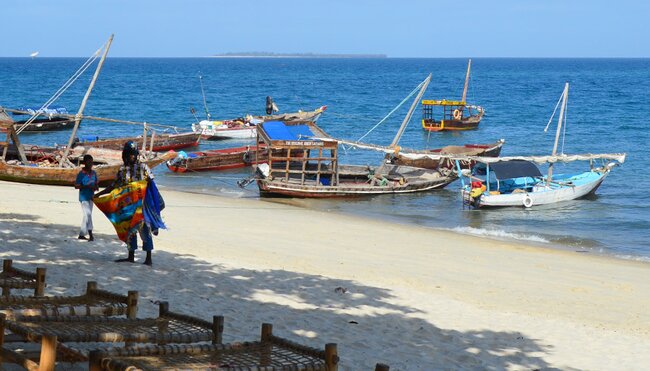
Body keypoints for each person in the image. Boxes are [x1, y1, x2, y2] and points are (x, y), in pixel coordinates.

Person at [96, 141, 155, 265]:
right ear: (125, 155)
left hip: (141, 205)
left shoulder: (143, 167)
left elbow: (151, 182)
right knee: (130, 230)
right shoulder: (122, 170)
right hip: (127, 206)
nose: (132, 156)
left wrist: (147, 182)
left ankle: (148, 258)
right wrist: (99, 195)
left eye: (133, 154)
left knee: (144, 229)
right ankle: (131, 256)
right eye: (130, 154)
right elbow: (113, 186)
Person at [74, 154, 98, 241]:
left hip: (91, 197)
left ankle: (81, 234)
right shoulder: (81, 174)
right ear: (84, 163)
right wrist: (86, 187)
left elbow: (96, 183)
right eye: (89, 162)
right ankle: (91, 233)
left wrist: (95, 187)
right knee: (88, 214)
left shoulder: (94, 173)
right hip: (83, 197)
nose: (91, 164)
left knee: (87, 215)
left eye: (92, 162)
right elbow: (76, 186)